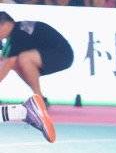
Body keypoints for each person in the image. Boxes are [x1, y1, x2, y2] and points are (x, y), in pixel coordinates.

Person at [0, 11, 72, 143]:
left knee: (22, 59)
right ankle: (40, 100)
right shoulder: (16, 31)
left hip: (62, 54)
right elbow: (4, 61)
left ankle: (39, 101)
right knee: (16, 62)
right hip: (49, 53)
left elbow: (5, 63)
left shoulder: (18, 34)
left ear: (4, 25)